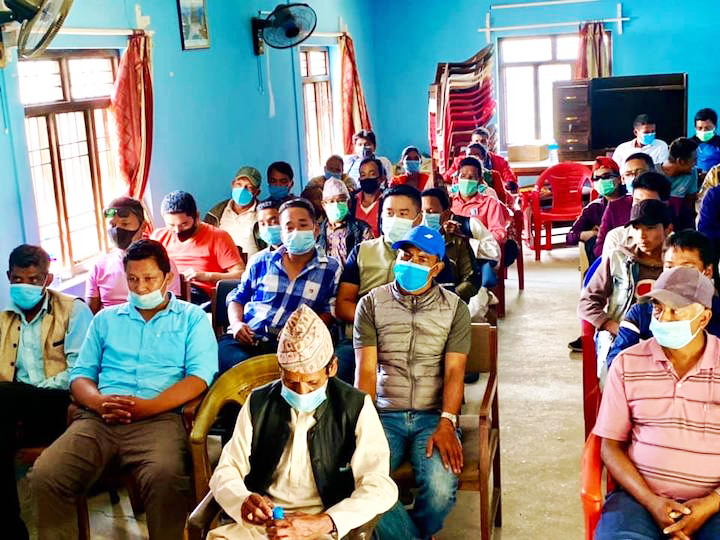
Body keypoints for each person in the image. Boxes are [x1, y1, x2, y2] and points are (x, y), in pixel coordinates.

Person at [31, 239, 218, 540]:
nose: (141, 288)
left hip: (159, 419)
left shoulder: (191, 318)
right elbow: (81, 375)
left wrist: (147, 407)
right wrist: (98, 402)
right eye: (133, 279)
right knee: (48, 474)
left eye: (149, 279)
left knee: (165, 477)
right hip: (99, 420)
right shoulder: (105, 320)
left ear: (167, 277)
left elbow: (199, 378)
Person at [208, 305, 398, 540]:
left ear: (332, 367)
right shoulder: (258, 402)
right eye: (291, 383)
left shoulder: (355, 406)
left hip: (321, 527)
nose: (302, 391)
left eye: (312, 383)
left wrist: (324, 522)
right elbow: (226, 470)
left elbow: (379, 487)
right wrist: (243, 501)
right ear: (281, 370)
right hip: (264, 527)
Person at [354, 225, 470, 540]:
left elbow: (455, 371)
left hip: (433, 416)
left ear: (436, 269)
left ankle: (409, 531)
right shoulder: (371, 304)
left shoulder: (455, 309)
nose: (411, 263)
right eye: (406, 256)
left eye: (422, 259)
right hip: (384, 414)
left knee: (440, 490)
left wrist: (447, 421)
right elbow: (366, 371)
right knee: (359, 480)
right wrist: (364, 425)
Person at [593, 266, 720, 540]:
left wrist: (712, 502)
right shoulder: (627, 364)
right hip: (638, 500)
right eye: (658, 308)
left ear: (703, 319)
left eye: (676, 310)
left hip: (715, 504)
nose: (663, 318)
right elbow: (610, 446)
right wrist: (651, 501)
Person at [1, 245, 93, 540]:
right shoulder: (3, 319)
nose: (25, 285)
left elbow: (81, 370)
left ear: (47, 279)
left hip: (61, 402)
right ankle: (13, 525)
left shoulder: (72, 310)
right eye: (18, 279)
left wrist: (28, 392)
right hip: (15, 411)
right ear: (8, 276)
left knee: (5, 397)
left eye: (33, 279)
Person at [219, 198, 341, 373]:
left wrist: (300, 331)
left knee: (284, 376)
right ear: (282, 234)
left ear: (316, 229)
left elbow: (329, 312)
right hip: (246, 339)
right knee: (239, 370)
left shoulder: (330, 268)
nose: (296, 231)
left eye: (303, 225)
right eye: (289, 227)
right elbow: (237, 298)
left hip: (294, 346)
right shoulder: (261, 261)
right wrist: (237, 324)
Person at [607, 230, 720, 368]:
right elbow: (615, 363)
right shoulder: (642, 312)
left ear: (707, 272)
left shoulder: (716, 312)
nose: (676, 275)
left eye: (686, 268)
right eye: (669, 267)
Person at [579, 199, 672, 338]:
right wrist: (615, 327)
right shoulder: (617, 259)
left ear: (668, 229)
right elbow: (587, 303)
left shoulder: (678, 263)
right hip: (620, 338)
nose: (642, 235)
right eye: (636, 228)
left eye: (650, 228)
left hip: (667, 337)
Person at [86, 197, 180, 313]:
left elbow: (173, 311)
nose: (117, 230)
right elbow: (90, 314)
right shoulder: (99, 268)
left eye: (125, 224)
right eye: (113, 225)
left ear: (143, 226)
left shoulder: (163, 264)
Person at [151, 190, 245, 305]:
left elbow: (240, 275)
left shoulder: (218, 237)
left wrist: (206, 276)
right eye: (171, 225)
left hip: (198, 294)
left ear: (197, 216)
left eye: (184, 224)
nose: (177, 230)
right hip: (164, 290)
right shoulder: (158, 236)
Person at [421, 188, 483, 302]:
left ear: (446, 214)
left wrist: (449, 298)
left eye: (431, 212)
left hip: (450, 304)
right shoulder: (410, 243)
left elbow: (471, 280)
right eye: (421, 212)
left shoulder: (458, 242)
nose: (425, 217)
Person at [594, 168, 671, 257]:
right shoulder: (617, 238)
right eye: (637, 201)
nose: (641, 207)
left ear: (664, 204)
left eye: (648, 202)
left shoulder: (675, 242)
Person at [566, 157, 624, 264]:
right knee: (593, 242)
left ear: (620, 179)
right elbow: (570, 237)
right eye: (596, 178)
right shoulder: (593, 208)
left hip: (628, 252)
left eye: (606, 176)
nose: (601, 181)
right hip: (602, 260)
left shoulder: (631, 202)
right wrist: (592, 234)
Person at [204, 166, 265, 259]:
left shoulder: (264, 215)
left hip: (253, 266)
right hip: (220, 266)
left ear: (257, 192)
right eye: (239, 184)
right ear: (232, 185)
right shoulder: (216, 213)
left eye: (249, 187)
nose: (242, 190)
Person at [450, 156, 508, 247]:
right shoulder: (449, 201)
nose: (467, 180)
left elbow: (499, 233)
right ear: (457, 179)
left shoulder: (489, 203)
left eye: (472, 177)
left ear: (480, 180)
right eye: (463, 176)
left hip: (480, 250)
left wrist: (474, 242)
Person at [318, 177, 373, 266]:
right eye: (331, 201)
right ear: (324, 205)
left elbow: (370, 263)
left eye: (341, 201)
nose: (336, 205)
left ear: (349, 203)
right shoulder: (317, 232)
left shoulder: (362, 230)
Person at [657, 137, 699, 230]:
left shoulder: (692, 173)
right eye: (694, 160)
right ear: (680, 161)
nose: (696, 164)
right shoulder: (653, 173)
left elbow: (691, 200)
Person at [352, 157, 385, 237]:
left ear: (381, 178)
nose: (367, 178)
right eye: (363, 175)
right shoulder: (352, 200)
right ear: (359, 179)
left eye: (372, 174)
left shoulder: (387, 201)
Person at [691, 107, 720, 173]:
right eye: (700, 128)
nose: (703, 131)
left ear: (715, 127)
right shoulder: (688, 144)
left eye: (707, 128)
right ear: (695, 128)